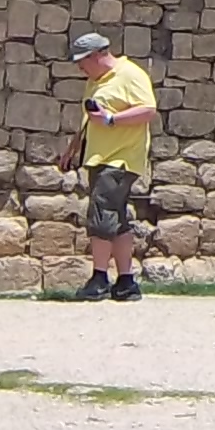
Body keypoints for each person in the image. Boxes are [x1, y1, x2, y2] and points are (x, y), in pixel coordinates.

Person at [69, 32, 156, 302]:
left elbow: (148, 109)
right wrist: (73, 147)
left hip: (120, 158)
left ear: (96, 56)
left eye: (82, 61)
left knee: (101, 214)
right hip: (99, 157)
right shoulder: (96, 81)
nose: (79, 68)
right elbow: (90, 117)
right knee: (116, 218)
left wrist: (111, 120)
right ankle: (126, 282)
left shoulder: (130, 75)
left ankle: (99, 279)